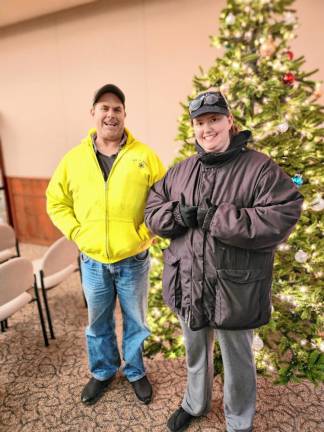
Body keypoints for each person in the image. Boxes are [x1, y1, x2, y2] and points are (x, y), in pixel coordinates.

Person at [144, 89, 303, 432]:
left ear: (229, 121)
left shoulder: (259, 167)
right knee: (196, 350)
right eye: (200, 122)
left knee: (238, 358)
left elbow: (284, 213)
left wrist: (217, 219)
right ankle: (194, 403)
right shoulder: (180, 171)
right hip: (189, 280)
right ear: (193, 129)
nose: (207, 128)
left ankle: (239, 421)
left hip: (236, 286)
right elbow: (152, 212)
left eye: (214, 119)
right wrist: (177, 215)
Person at [46, 84, 165, 406]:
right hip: (93, 261)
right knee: (97, 323)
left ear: (125, 115)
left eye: (117, 109)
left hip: (134, 259)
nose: (110, 114)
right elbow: (55, 202)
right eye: (104, 108)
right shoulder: (73, 160)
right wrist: (77, 233)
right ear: (93, 114)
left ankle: (136, 371)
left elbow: (164, 201)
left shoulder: (145, 156)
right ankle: (102, 371)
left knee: (136, 321)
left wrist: (145, 232)